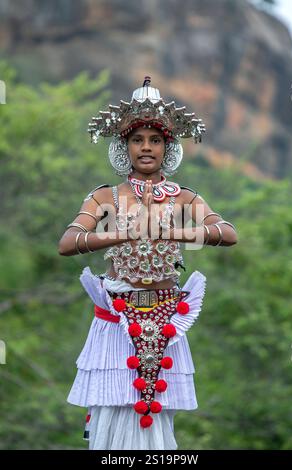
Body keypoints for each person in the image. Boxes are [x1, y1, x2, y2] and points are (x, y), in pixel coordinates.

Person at [58, 76, 238, 450]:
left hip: (165, 317)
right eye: (137, 139)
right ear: (124, 147)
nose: (146, 147)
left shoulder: (184, 197)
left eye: (155, 140)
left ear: (167, 147)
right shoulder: (105, 196)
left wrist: (173, 234)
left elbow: (226, 231)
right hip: (117, 318)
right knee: (113, 407)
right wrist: (122, 234)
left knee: (156, 417)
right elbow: (68, 242)